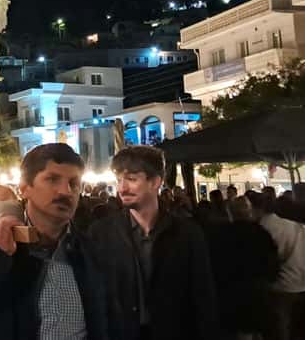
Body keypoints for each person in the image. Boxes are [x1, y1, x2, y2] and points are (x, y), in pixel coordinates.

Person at [0, 143, 109, 339]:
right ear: (24, 188)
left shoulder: (90, 251)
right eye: (52, 179)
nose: (65, 191)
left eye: (73, 183)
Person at [89, 145, 217, 340]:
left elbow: (203, 297)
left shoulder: (187, 233)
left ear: (155, 182)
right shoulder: (101, 233)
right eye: (119, 180)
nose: (122, 188)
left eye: (131, 179)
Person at [252, 191, 305, 340]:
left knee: (280, 327)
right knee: (298, 327)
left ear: (257, 209)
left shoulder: (262, 229)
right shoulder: (297, 227)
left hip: (279, 286)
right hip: (302, 285)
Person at [205, 195, 279, 339]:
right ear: (249, 212)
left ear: (230, 213)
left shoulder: (220, 234)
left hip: (230, 289)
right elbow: (271, 261)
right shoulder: (261, 233)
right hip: (257, 288)